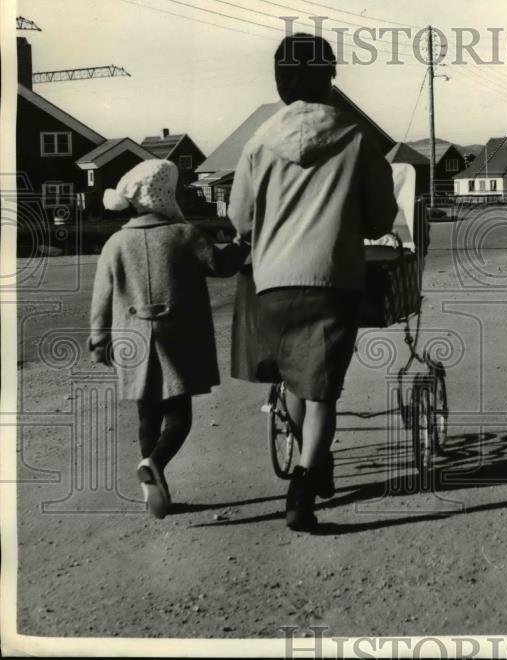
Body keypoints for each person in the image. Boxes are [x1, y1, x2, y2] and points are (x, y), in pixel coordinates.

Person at [228, 33, 397, 531]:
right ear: (331, 79)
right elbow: (379, 218)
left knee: (294, 378)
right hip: (333, 279)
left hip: (272, 283)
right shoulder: (359, 137)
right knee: (322, 389)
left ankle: (312, 464)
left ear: (280, 82)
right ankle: (304, 485)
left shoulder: (258, 140)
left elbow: (240, 220)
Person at [89, 159, 248, 518]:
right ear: (164, 196)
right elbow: (221, 266)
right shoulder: (184, 234)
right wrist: (241, 242)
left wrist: (99, 341)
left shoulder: (115, 243)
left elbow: (101, 296)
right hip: (178, 336)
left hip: (132, 338)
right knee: (180, 416)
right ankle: (155, 463)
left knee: (148, 416)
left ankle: (154, 492)